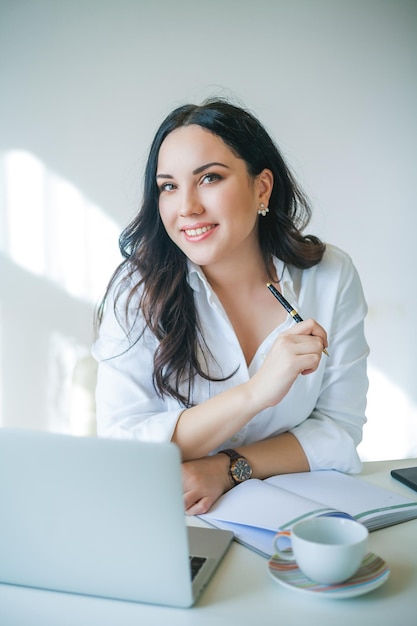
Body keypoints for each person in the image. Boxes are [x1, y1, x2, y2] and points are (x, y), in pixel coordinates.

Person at [92, 98, 369, 516]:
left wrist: (229, 468)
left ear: (262, 187)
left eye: (209, 178)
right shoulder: (137, 291)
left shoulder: (331, 276)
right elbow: (123, 446)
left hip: (297, 515)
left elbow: (339, 431)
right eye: (168, 186)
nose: (186, 207)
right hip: (175, 516)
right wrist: (256, 393)